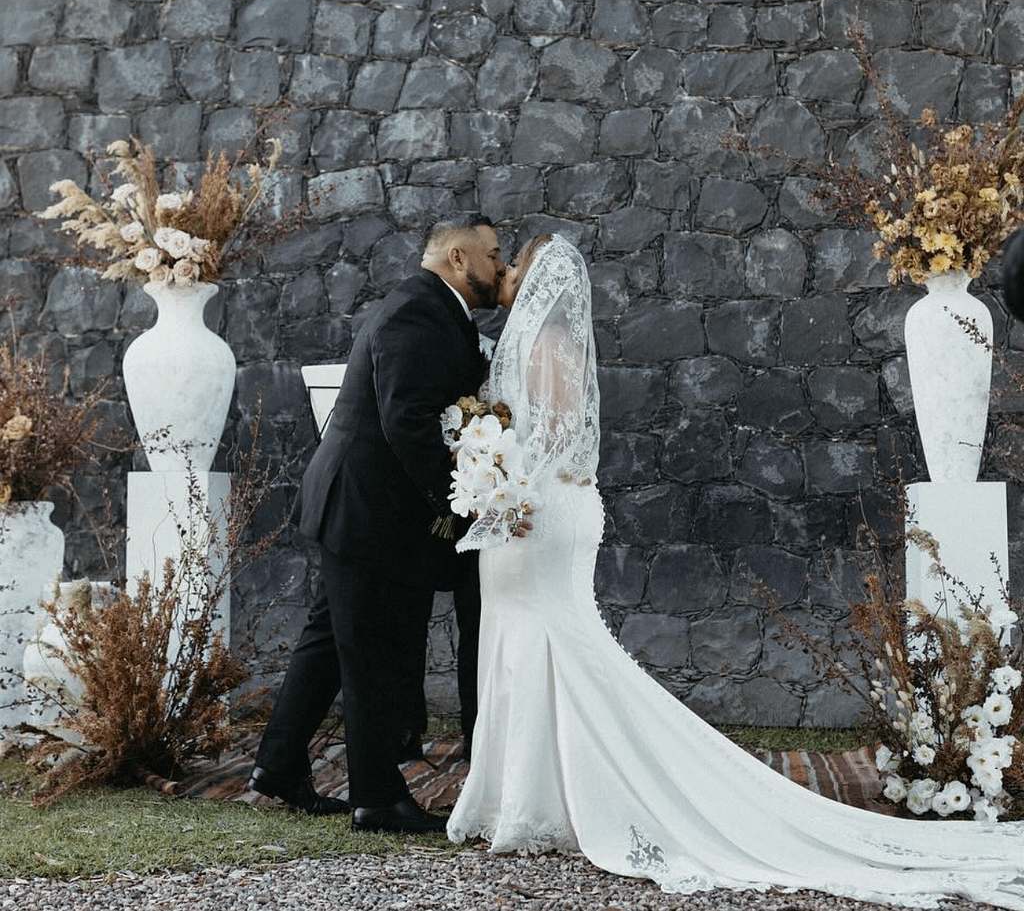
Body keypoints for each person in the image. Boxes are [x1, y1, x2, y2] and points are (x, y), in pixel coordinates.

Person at [446, 233, 1024, 908]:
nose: (510, 273)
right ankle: (528, 793)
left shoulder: (545, 345)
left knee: (555, 643)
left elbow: (553, 434)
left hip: (535, 510)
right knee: (536, 642)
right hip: (536, 508)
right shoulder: (543, 343)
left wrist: (498, 475)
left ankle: (543, 798)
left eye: (519, 263)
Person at [248, 213, 504, 832]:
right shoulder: (420, 309)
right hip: (366, 511)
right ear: (459, 259)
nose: (500, 266)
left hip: (357, 505)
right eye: (493, 254)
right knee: (371, 650)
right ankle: (376, 798)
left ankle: (278, 766)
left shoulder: (433, 309)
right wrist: (457, 501)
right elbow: (408, 419)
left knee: (331, 644)